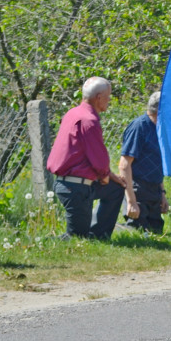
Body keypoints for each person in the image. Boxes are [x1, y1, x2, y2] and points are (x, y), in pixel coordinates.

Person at [47, 77, 126, 240]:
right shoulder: (89, 121)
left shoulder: (72, 113)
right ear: (98, 97)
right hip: (75, 187)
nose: (109, 101)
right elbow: (99, 159)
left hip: (68, 183)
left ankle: (98, 236)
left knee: (115, 189)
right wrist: (105, 175)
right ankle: (44, 243)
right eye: (108, 97)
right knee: (77, 236)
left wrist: (111, 177)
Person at [119, 91, 167, 234]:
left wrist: (162, 194)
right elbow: (124, 165)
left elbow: (157, 163)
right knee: (137, 230)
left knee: (156, 231)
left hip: (154, 190)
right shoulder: (139, 127)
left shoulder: (161, 129)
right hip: (138, 189)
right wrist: (131, 202)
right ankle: (108, 231)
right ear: (159, 109)